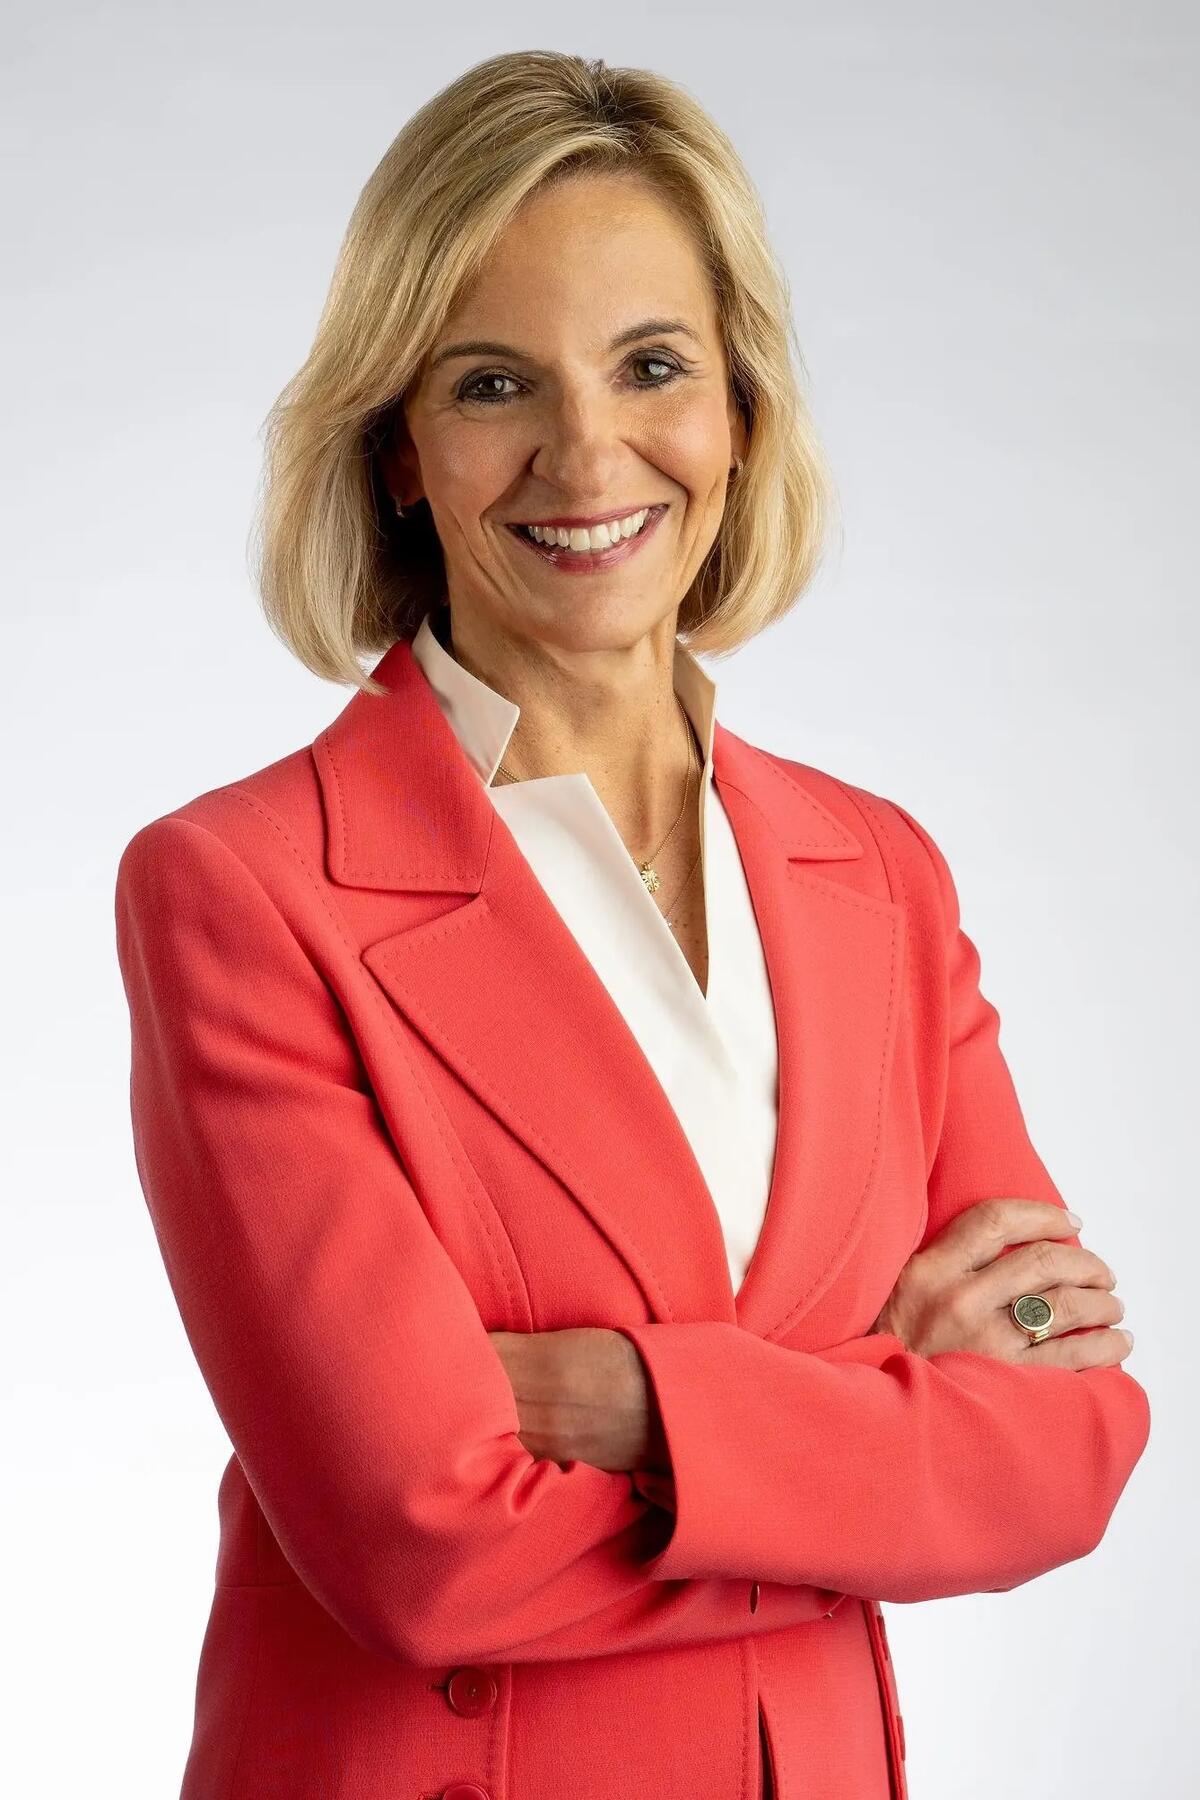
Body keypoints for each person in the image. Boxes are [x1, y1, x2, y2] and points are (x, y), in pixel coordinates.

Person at [114, 49, 1150, 1800]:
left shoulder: (881, 874)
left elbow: (1067, 1448)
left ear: (739, 409)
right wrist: (880, 1436)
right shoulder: (244, 889)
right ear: (398, 449)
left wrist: (632, 1403)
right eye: (492, 383)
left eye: (652, 365)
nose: (586, 454)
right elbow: (423, 1549)